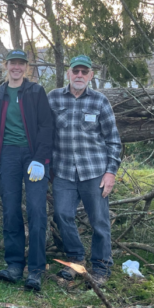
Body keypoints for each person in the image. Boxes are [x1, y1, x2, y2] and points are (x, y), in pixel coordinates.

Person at [48, 55, 122, 287]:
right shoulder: (53, 98)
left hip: (95, 172)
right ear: (68, 73)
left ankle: (101, 267)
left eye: (84, 72)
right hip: (63, 171)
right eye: (75, 71)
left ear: (91, 75)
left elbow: (114, 140)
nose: (79, 75)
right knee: (62, 214)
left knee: (99, 220)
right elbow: (42, 132)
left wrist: (110, 172)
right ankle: (75, 259)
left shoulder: (100, 102)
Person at [0, 49, 54, 291]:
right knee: (11, 210)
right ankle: (14, 265)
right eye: (12, 63)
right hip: (8, 157)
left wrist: (40, 159)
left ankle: (35, 270)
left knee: (36, 210)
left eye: (21, 64)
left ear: (26, 67)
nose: (16, 67)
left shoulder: (36, 92)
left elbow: (47, 126)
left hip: (33, 155)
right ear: (5, 66)